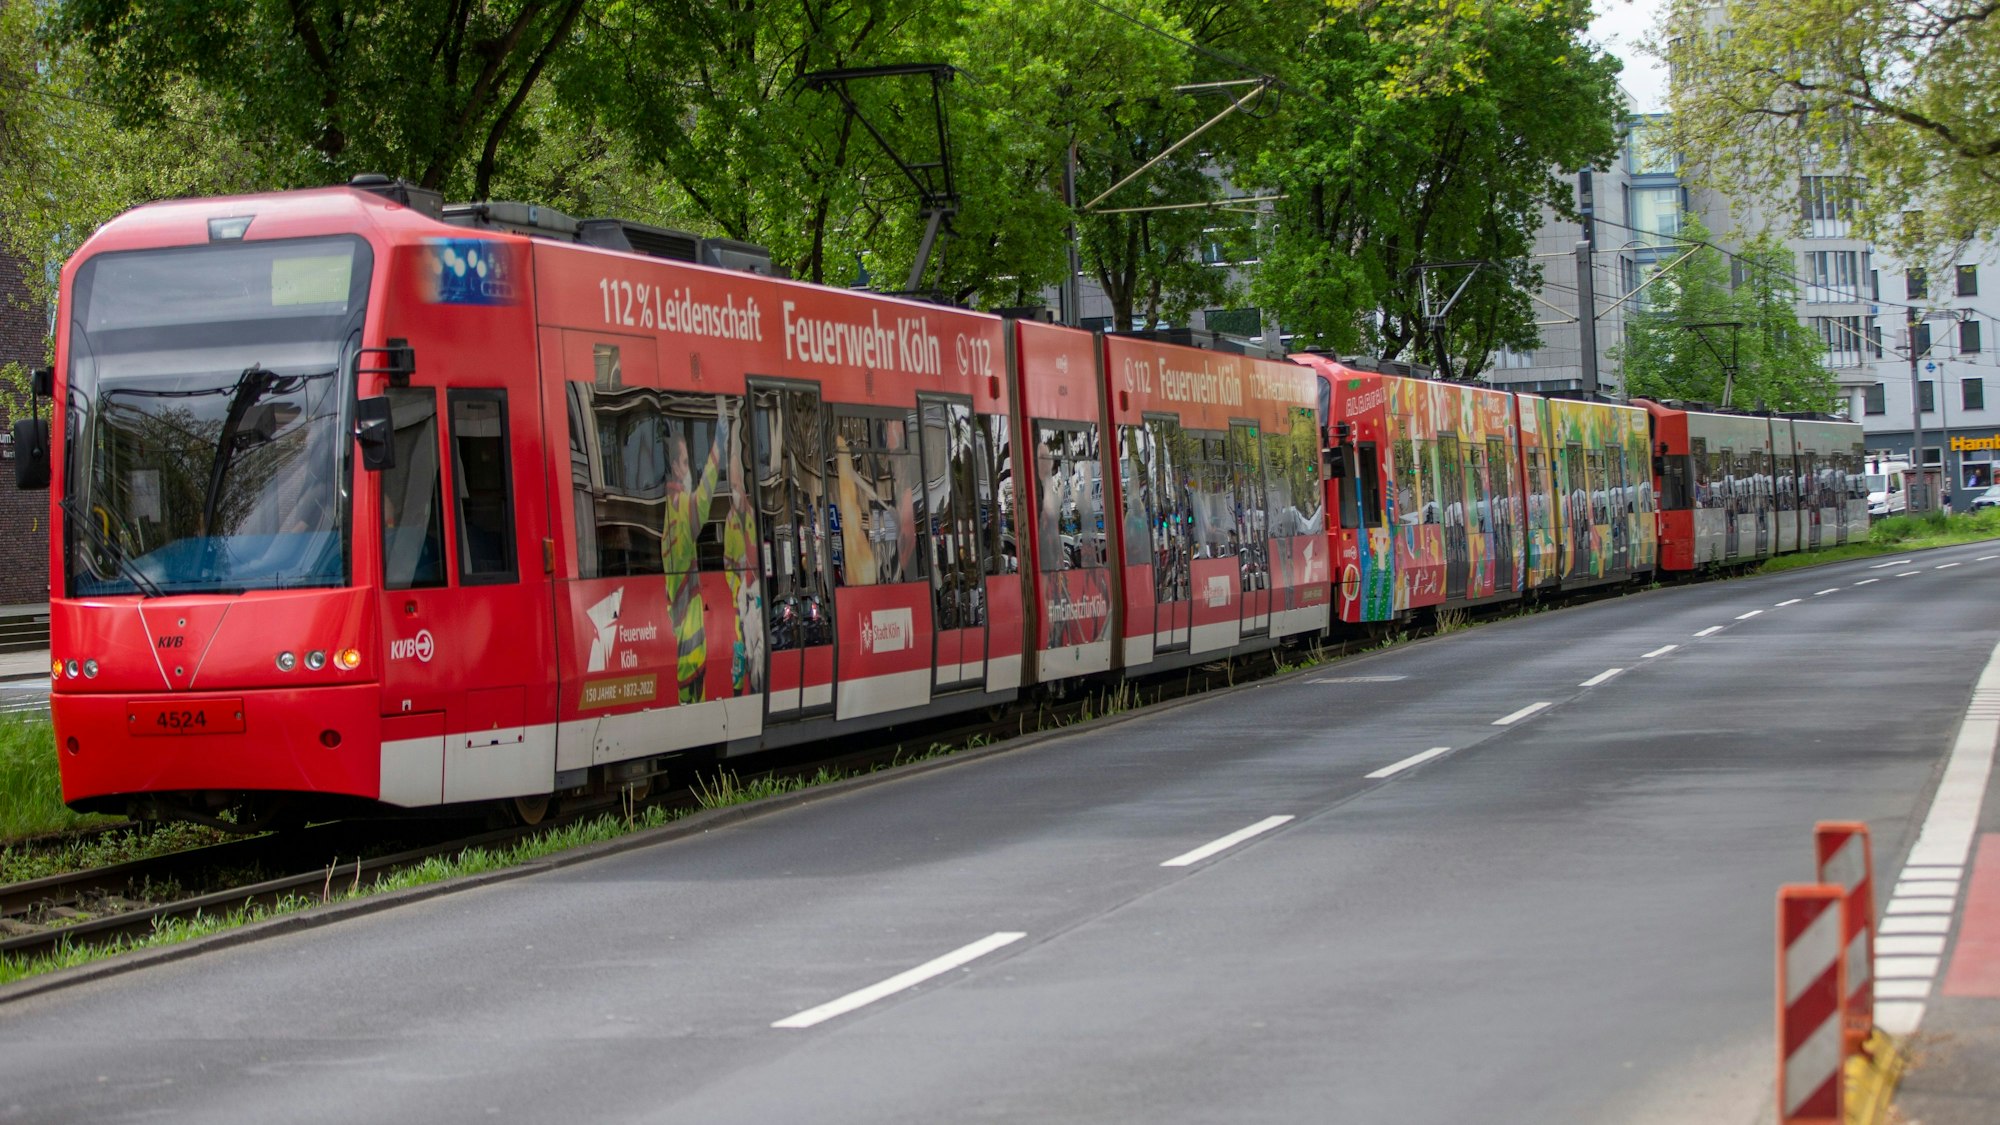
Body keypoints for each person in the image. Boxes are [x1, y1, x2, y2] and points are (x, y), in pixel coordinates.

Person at [663, 403, 725, 705]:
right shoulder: (682, 508)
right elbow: (705, 496)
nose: (690, 470)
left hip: (678, 625)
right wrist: (718, 446)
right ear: (676, 467)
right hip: (691, 635)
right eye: (687, 463)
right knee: (693, 698)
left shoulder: (667, 509)